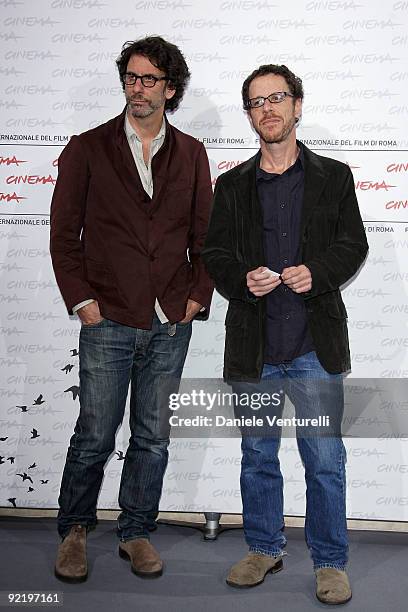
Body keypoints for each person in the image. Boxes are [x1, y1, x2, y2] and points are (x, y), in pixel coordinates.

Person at [202, 64, 368, 604]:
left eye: (277, 98)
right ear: (250, 115)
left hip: (314, 348)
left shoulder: (335, 177)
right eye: (256, 102)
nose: (267, 109)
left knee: (323, 459)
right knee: (257, 456)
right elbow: (215, 255)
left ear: (298, 105)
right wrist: (240, 280)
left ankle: (330, 561)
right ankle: (264, 548)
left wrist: (317, 272)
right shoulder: (229, 186)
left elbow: (353, 245)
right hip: (254, 348)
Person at [50, 35, 213, 582]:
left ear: (171, 89)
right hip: (109, 317)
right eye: (131, 77)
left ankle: (136, 530)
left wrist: (198, 294)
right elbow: (63, 235)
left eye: (149, 80)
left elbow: (205, 234)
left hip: (171, 320)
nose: (137, 89)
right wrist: (82, 300)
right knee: (95, 431)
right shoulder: (87, 147)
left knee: (153, 435)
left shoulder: (190, 151)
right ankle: (74, 529)